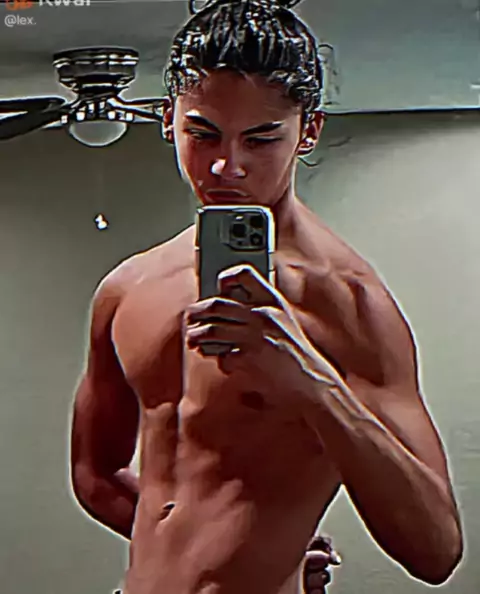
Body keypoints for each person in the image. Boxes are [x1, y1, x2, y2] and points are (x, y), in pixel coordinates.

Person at [69, 1, 464, 593]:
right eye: (202, 134)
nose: (226, 166)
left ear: (309, 130)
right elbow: (95, 476)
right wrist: (223, 552)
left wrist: (310, 379)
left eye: (261, 138)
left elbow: (436, 551)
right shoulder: (128, 288)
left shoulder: (347, 302)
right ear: (167, 120)